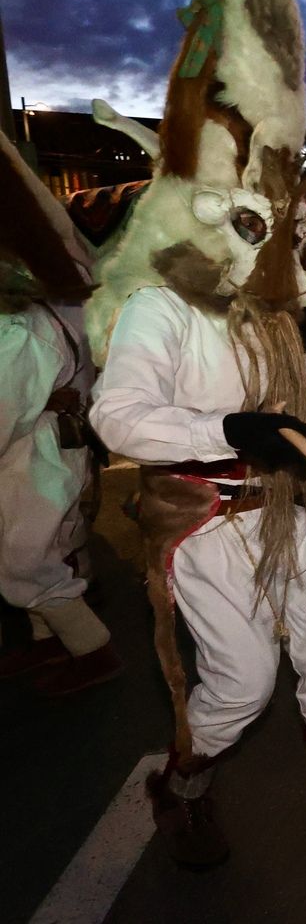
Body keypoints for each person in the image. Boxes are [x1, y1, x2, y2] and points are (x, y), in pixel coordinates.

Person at [87, 0, 306, 867]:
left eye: (271, 217)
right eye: (243, 215)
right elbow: (118, 415)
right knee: (245, 680)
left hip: (296, 509)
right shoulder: (158, 307)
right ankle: (183, 787)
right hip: (212, 520)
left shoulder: (272, 312)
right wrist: (229, 428)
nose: (261, 237)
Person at [0, 262, 121, 694]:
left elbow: (3, 413)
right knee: (38, 547)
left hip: (32, 455)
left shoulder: (18, 331)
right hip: (48, 449)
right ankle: (47, 641)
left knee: (24, 559)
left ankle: (92, 649)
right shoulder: (51, 313)